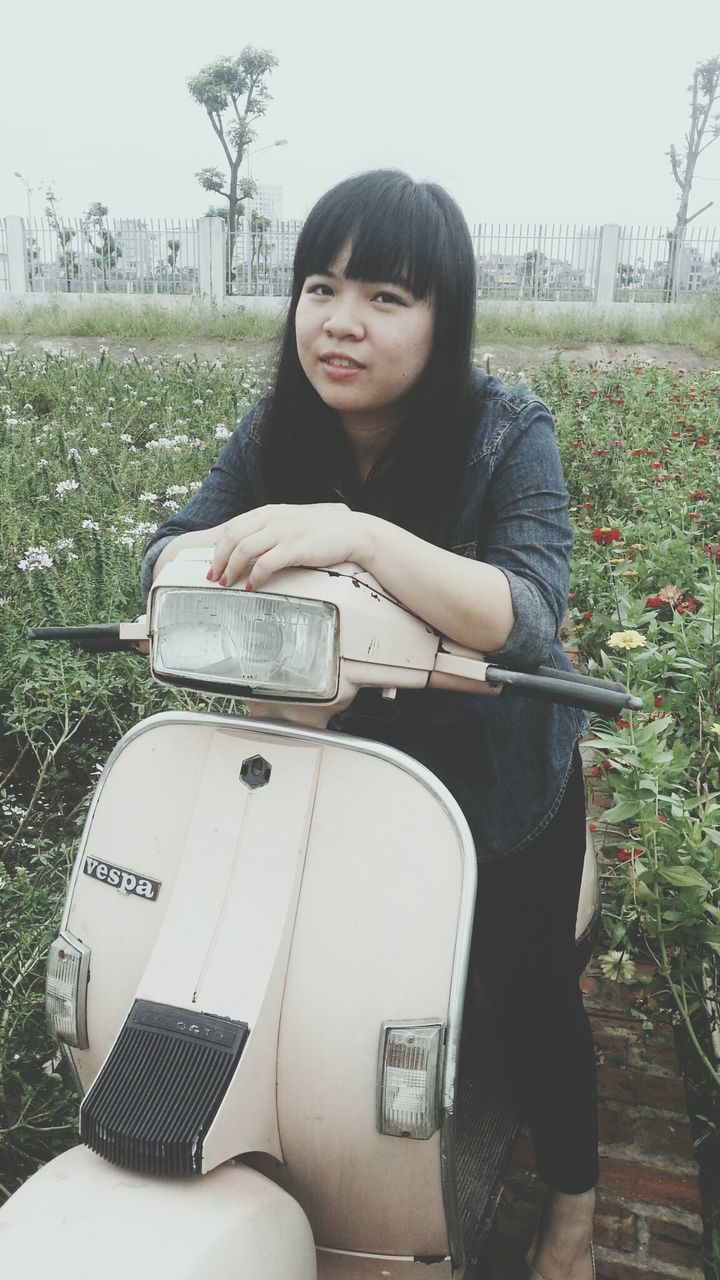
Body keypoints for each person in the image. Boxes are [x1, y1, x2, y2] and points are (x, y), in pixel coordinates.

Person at [140, 170, 597, 1280]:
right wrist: (202, 562)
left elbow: (527, 614)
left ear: (444, 322)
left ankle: (574, 1208)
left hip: (493, 776)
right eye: (320, 286)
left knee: (528, 981)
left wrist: (355, 537)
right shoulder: (277, 429)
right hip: (327, 760)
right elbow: (165, 554)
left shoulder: (504, 430)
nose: (340, 321)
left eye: (387, 295)